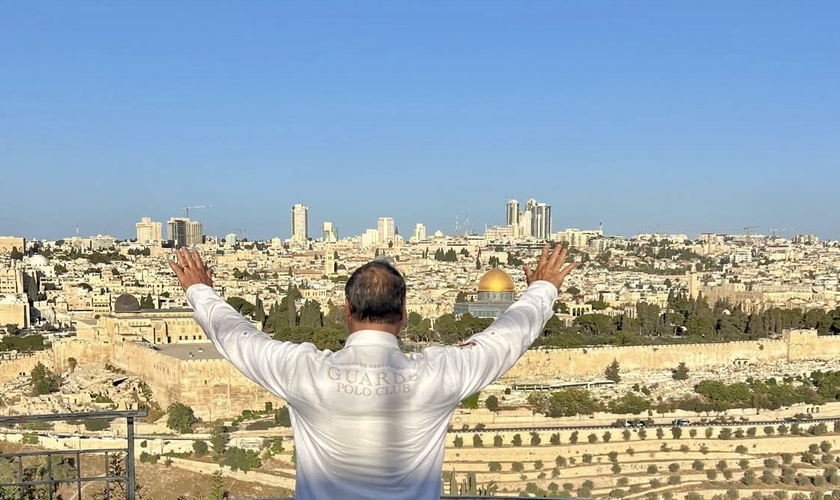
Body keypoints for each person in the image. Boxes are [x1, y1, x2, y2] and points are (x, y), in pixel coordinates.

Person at [169, 244, 576, 500]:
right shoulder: (439, 375)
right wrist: (543, 288)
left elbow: (238, 337)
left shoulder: (304, 373)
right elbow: (506, 338)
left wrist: (199, 289)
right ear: (403, 314)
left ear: (347, 311)